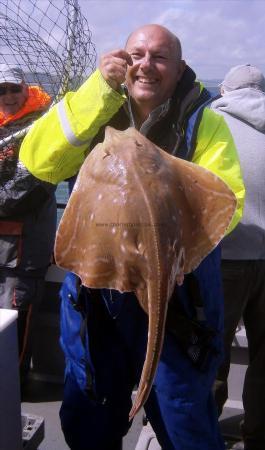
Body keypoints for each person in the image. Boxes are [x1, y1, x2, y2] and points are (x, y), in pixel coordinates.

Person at [18, 25, 245, 450]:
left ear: (179, 70)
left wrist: (179, 254)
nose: (145, 64)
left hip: (178, 289)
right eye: (136, 53)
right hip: (96, 287)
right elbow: (39, 163)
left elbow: (225, 198)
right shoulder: (93, 108)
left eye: (159, 57)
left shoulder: (204, 121)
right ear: (122, 60)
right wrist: (97, 92)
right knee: (90, 408)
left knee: (184, 414)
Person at [211, 64, 265, 450]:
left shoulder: (208, 123)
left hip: (223, 257)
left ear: (225, 90)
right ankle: (257, 434)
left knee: (211, 348)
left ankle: (202, 430)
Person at [0, 64, 57, 383]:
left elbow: (29, 190)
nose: (7, 96)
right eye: (0, 90)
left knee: (16, 321)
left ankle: (14, 390)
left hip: (23, 254)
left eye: (12, 88)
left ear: (25, 88)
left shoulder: (43, 127)